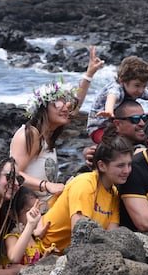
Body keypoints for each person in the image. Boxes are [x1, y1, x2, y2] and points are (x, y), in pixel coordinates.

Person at [10, 46, 104, 212]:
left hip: (48, 207)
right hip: (28, 213)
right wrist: (47, 186)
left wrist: (89, 75)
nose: (66, 107)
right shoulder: (30, 134)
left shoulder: (47, 136)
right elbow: (13, 174)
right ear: (43, 107)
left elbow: (75, 106)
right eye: (59, 102)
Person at [36, 134, 133, 253]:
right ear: (102, 165)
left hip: (69, 256)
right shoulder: (85, 184)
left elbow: (110, 236)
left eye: (129, 164)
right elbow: (80, 234)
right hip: (40, 252)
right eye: (120, 165)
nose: (127, 171)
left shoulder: (114, 193)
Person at [0, 187, 55, 275]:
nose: (34, 214)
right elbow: (14, 257)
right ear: (12, 214)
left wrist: (45, 259)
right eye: (29, 211)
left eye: (37, 209)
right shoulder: (11, 237)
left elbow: (34, 267)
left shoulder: (33, 237)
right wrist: (30, 224)